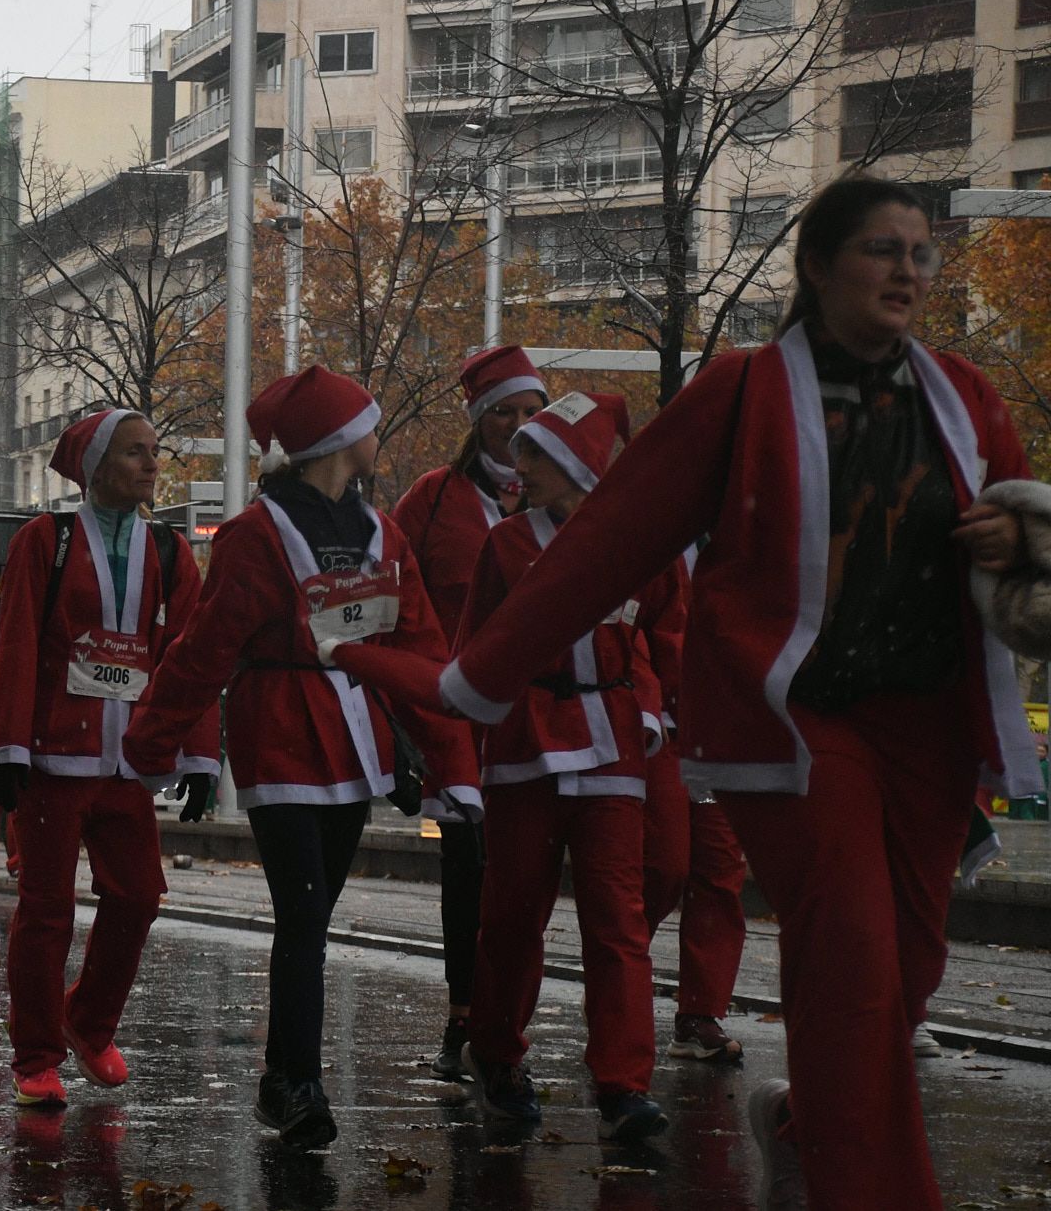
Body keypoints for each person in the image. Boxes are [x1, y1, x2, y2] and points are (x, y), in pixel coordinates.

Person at [436, 177, 1042, 1211]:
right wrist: (481, 674)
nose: (906, 270)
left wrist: (1016, 529)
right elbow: (612, 537)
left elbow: (1024, 520)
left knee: (905, 967)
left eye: (919, 252)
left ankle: (810, 1123)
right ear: (817, 266)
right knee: (851, 954)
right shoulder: (742, 390)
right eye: (880, 249)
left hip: (927, 724)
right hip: (802, 724)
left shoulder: (964, 393)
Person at [125, 367, 478, 1150]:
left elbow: (420, 652)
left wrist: (456, 764)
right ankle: (303, 1085)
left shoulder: (382, 535)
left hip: (355, 741)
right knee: (305, 911)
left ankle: (281, 1076)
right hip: (281, 733)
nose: (376, 435)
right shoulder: (256, 535)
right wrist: (156, 741)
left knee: (310, 914)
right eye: (368, 423)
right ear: (340, 440)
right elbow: (205, 649)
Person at [438, 391, 682, 1145]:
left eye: (538, 454)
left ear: (581, 463)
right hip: (525, 752)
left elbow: (664, 635)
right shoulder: (507, 545)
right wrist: (455, 755)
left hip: (613, 749)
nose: (522, 467)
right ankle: (497, 1053)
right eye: (520, 454)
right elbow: (473, 651)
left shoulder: (636, 542)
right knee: (513, 917)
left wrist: (654, 710)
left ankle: (623, 1082)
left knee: (618, 921)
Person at [0, 409, 213, 1109]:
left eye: (154, 451)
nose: (152, 464)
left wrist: (200, 754)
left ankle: (86, 1021)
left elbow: (191, 655)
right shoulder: (43, 540)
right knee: (46, 910)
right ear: (97, 467)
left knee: (138, 897)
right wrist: (6, 749)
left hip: (128, 763)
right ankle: (35, 1057)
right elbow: (18, 642)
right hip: (52, 759)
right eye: (136, 453)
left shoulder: (170, 550)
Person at [392, 344, 545, 1081]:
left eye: (531, 412)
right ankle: (465, 1009)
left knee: (525, 876)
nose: (517, 426)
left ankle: (506, 1014)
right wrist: (400, 712)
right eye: (503, 413)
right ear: (478, 420)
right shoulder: (433, 499)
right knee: (468, 867)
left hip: (545, 717)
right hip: (455, 719)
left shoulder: (562, 495)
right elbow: (389, 589)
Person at [642, 548, 750, 1066]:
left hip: (718, 734)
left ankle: (699, 1013)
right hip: (660, 730)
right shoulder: (654, 533)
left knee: (718, 869)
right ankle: (618, 975)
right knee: (664, 865)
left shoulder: (743, 533)